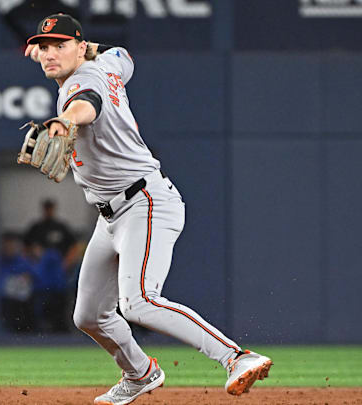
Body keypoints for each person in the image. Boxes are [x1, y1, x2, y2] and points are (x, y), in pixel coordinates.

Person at [23, 14, 272, 404]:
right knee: (88, 315)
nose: (50, 53)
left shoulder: (81, 82)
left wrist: (63, 121)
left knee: (139, 300)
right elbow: (124, 56)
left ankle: (237, 356)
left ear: (78, 46)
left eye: (60, 45)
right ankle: (140, 373)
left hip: (145, 202)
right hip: (111, 216)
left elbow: (85, 105)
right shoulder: (106, 63)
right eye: (44, 46)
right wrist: (92, 49)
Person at [0, 232, 36, 333]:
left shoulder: (22, 261)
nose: (9, 247)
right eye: (6, 245)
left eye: (11, 245)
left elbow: (34, 277)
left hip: (22, 299)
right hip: (3, 298)